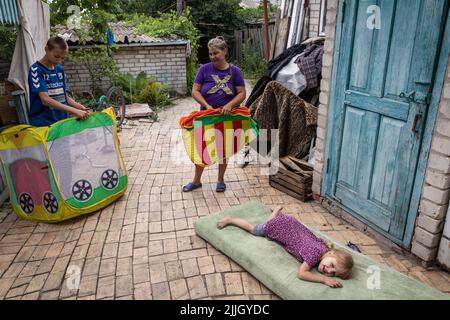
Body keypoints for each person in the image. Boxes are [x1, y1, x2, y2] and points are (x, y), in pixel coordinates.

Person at [217, 206, 354, 288]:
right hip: (280, 227)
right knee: (255, 230)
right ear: (332, 254)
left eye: (332, 273)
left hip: (289, 222)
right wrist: (324, 280)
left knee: (269, 223)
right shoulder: (314, 255)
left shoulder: (324, 246)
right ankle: (231, 219)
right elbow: (301, 274)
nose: (328, 271)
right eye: (332, 266)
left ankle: (276, 212)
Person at [183, 36, 246, 193]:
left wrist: (230, 105)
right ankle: (196, 181)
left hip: (226, 118)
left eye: (215, 53)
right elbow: (195, 91)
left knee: (223, 149)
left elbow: (242, 93)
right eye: (210, 54)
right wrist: (206, 105)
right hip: (205, 116)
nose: (212, 57)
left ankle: (220, 180)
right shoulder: (204, 69)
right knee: (201, 149)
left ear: (225, 51)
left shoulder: (235, 71)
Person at [28, 36, 90, 127]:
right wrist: (75, 111)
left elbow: (63, 95)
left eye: (63, 58)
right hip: (43, 123)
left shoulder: (60, 70)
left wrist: (79, 106)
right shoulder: (36, 70)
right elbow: (45, 100)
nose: (59, 61)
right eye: (56, 56)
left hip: (61, 121)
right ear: (46, 49)